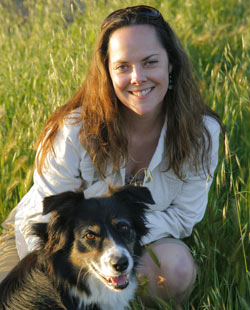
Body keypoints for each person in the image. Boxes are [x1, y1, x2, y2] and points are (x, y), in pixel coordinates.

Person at [0, 5, 223, 309]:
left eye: (150, 62)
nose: (137, 77)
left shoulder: (202, 133)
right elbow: (45, 217)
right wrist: (71, 280)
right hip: (40, 241)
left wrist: (119, 238)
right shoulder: (74, 130)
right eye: (123, 66)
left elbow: (184, 217)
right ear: (107, 71)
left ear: (170, 63)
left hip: (125, 240)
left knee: (176, 268)